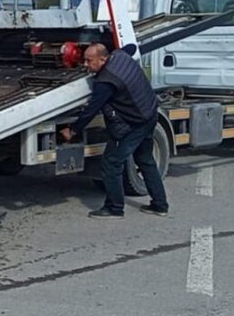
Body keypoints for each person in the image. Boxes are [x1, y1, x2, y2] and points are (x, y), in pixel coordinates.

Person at [60, 42, 169, 219]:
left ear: (103, 59)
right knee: (146, 160)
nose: (86, 65)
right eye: (84, 60)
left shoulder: (106, 82)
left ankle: (114, 208)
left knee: (111, 163)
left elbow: (91, 110)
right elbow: (132, 47)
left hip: (131, 125)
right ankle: (160, 205)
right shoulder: (120, 55)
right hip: (149, 115)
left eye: (89, 61)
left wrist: (73, 130)